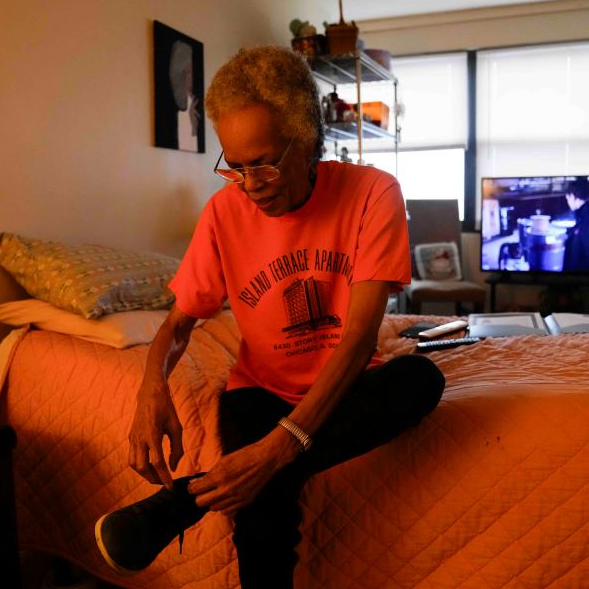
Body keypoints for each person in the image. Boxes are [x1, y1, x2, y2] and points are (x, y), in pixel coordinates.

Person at [95, 45, 445, 588]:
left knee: (421, 380)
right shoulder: (222, 214)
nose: (250, 183)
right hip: (259, 390)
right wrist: (150, 386)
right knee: (262, 515)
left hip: (346, 383)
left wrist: (280, 448)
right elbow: (178, 323)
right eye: (234, 167)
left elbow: (357, 339)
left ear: (305, 137)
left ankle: (179, 505)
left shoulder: (372, 193)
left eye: (264, 163)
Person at [563, 178, 589, 271]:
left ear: (573, 196)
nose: (568, 202)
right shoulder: (584, 211)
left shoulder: (585, 216)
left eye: (568, 199)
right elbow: (577, 227)